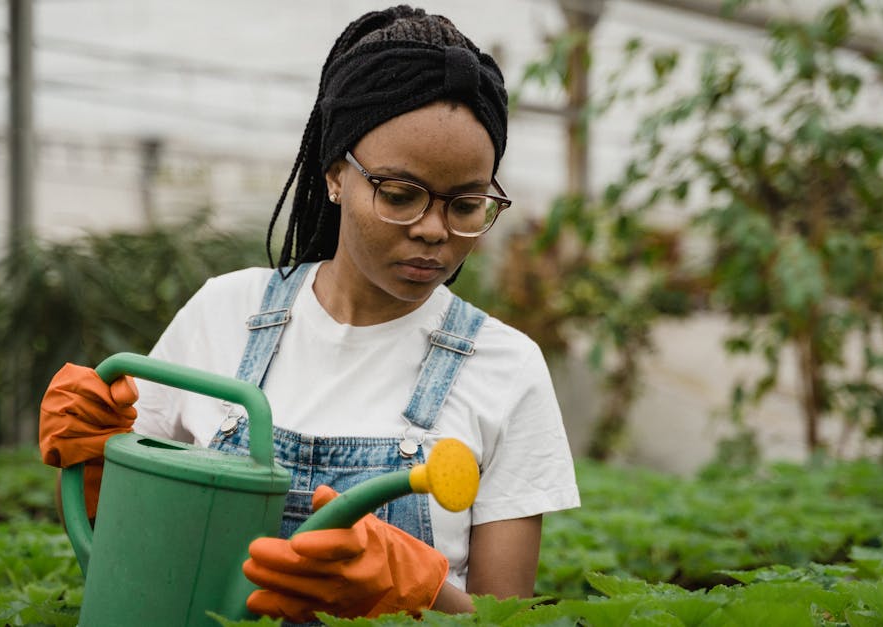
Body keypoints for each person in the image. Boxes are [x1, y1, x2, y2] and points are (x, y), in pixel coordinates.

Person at [37, 4, 580, 623]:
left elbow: (504, 620)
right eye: (400, 195)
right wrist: (92, 461)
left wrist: (423, 594)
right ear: (336, 175)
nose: (434, 230)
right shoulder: (224, 313)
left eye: (466, 205)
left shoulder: (507, 367)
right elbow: (123, 551)